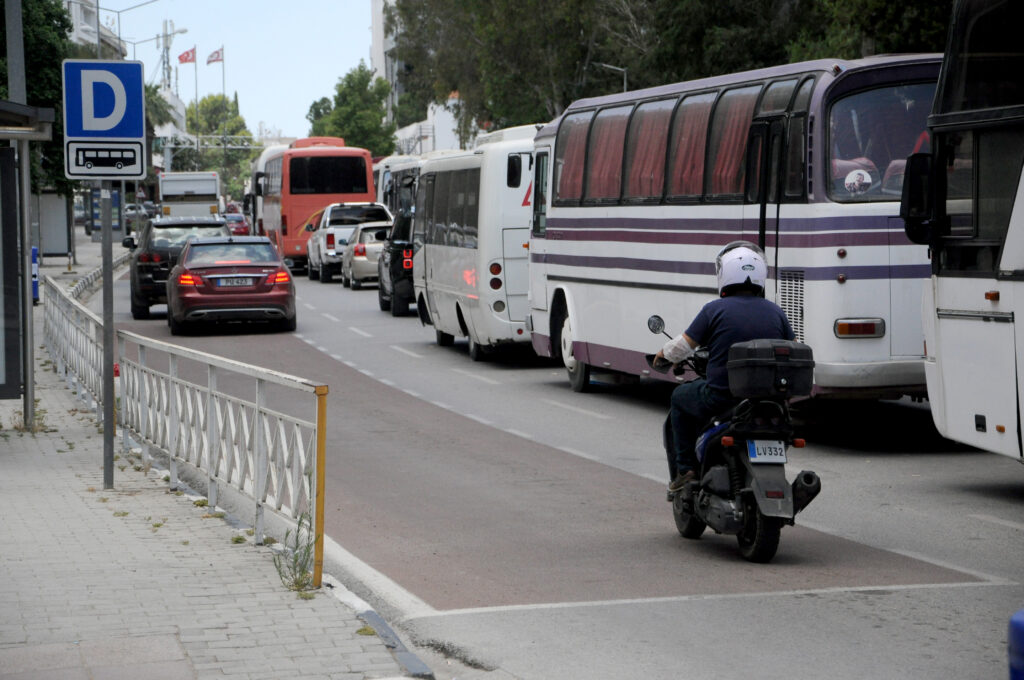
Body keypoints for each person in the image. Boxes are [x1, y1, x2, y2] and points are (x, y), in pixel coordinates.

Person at [655, 241, 794, 491]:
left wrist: (662, 356)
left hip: (721, 398)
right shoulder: (776, 312)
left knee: (679, 397)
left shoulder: (714, 310)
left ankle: (685, 470)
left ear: (725, 274)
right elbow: (795, 348)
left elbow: (683, 346)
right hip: (771, 400)